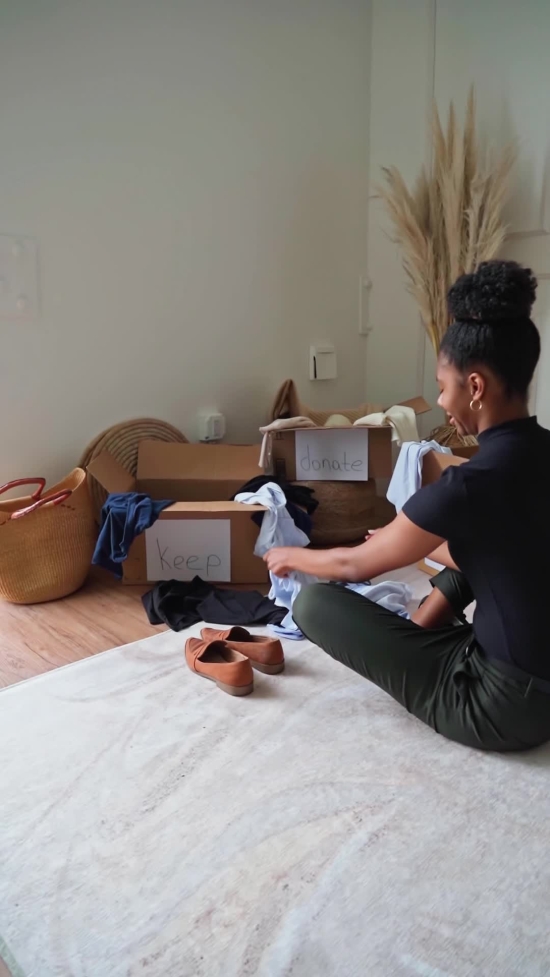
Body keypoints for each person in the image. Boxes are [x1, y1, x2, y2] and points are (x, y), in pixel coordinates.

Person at [265, 260, 550, 752]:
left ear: (475, 387)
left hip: (502, 710)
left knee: (314, 603)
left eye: (442, 386)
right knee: (472, 559)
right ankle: (420, 631)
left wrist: (289, 555)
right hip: (536, 678)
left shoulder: (469, 484)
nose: (441, 403)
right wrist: (413, 543)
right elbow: (511, 555)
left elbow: (353, 565)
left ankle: (420, 650)